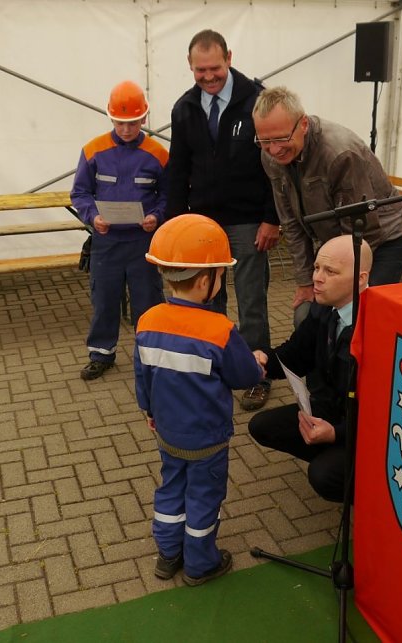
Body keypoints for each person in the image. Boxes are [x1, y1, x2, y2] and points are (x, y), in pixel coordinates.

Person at [135, 214, 265, 585]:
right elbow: (242, 377)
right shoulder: (219, 330)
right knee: (204, 498)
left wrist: (149, 410)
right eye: (221, 275)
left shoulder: (147, 321)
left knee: (171, 487)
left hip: (168, 433)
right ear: (206, 280)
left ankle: (167, 554)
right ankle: (200, 563)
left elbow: (142, 375)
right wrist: (257, 364)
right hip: (207, 439)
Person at [167, 29, 280, 411]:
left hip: (249, 222)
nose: (208, 77)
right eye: (200, 70)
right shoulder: (184, 108)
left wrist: (271, 218)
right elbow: (178, 170)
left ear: (228, 58)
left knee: (251, 302)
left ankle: (255, 372)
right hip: (202, 225)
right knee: (207, 299)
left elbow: (274, 168)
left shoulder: (257, 101)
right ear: (190, 65)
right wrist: (174, 225)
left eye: (214, 68)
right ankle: (213, 365)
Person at [252, 86, 402, 322]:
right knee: (312, 316)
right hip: (336, 240)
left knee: (358, 315)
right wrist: (306, 281)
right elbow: (291, 223)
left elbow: (362, 229)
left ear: (303, 125)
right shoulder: (271, 157)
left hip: (383, 238)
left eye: (281, 138)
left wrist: (340, 285)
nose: (274, 149)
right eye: (264, 141)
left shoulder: (340, 153)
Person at [249, 234, 371, 502]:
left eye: (330, 271)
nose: (317, 277)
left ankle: (370, 488)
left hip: (368, 429)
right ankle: (337, 457)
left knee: (323, 475)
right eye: (316, 267)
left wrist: (336, 433)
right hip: (332, 408)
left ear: (360, 279)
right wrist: (261, 360)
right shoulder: (324, 307)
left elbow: (380, 411)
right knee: (262, 425)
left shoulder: (377, 327)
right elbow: (295, 354)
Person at [70, 80, 168, 380]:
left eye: (133, 122)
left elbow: (167, 196)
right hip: (106, 242)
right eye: (121, 122)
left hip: (143, 243)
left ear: (144, 118)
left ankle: (150, 356)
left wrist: (156, 216)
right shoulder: (93, 151)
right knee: (104, 300)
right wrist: (92, 216)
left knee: (148, 302)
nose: (126, 129)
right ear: (111, 117)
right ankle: (101, 354)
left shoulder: (159, 154)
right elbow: (80, 193)